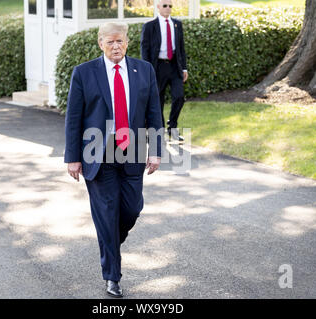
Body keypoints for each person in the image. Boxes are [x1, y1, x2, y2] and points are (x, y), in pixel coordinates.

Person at [64, 22, 163, 298]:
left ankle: (109, 242)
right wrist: (72, 158)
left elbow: (154, 112)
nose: (116, 47)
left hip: (131, 153)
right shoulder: (84, 73)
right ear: (100, 44)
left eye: (120, 41)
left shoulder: (144, 70)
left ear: (127, 42)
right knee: (107, 214)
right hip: (98, 154)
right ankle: (112, 277)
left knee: (131, 210)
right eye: (110, 42)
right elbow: (73, 118)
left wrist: (155, 150)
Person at [141, 0, 188, 141]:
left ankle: (172, 127)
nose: (168, 9)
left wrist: (184, 68)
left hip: (174, 66)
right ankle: (158, 130)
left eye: (170, 6)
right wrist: (147, 70)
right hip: (158, 67)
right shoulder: (149, 26)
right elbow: (145, 49)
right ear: (158, 7)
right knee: (157, 101)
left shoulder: (177, 24)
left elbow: (181, 48)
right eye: (165, 6)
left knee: (179, 96)